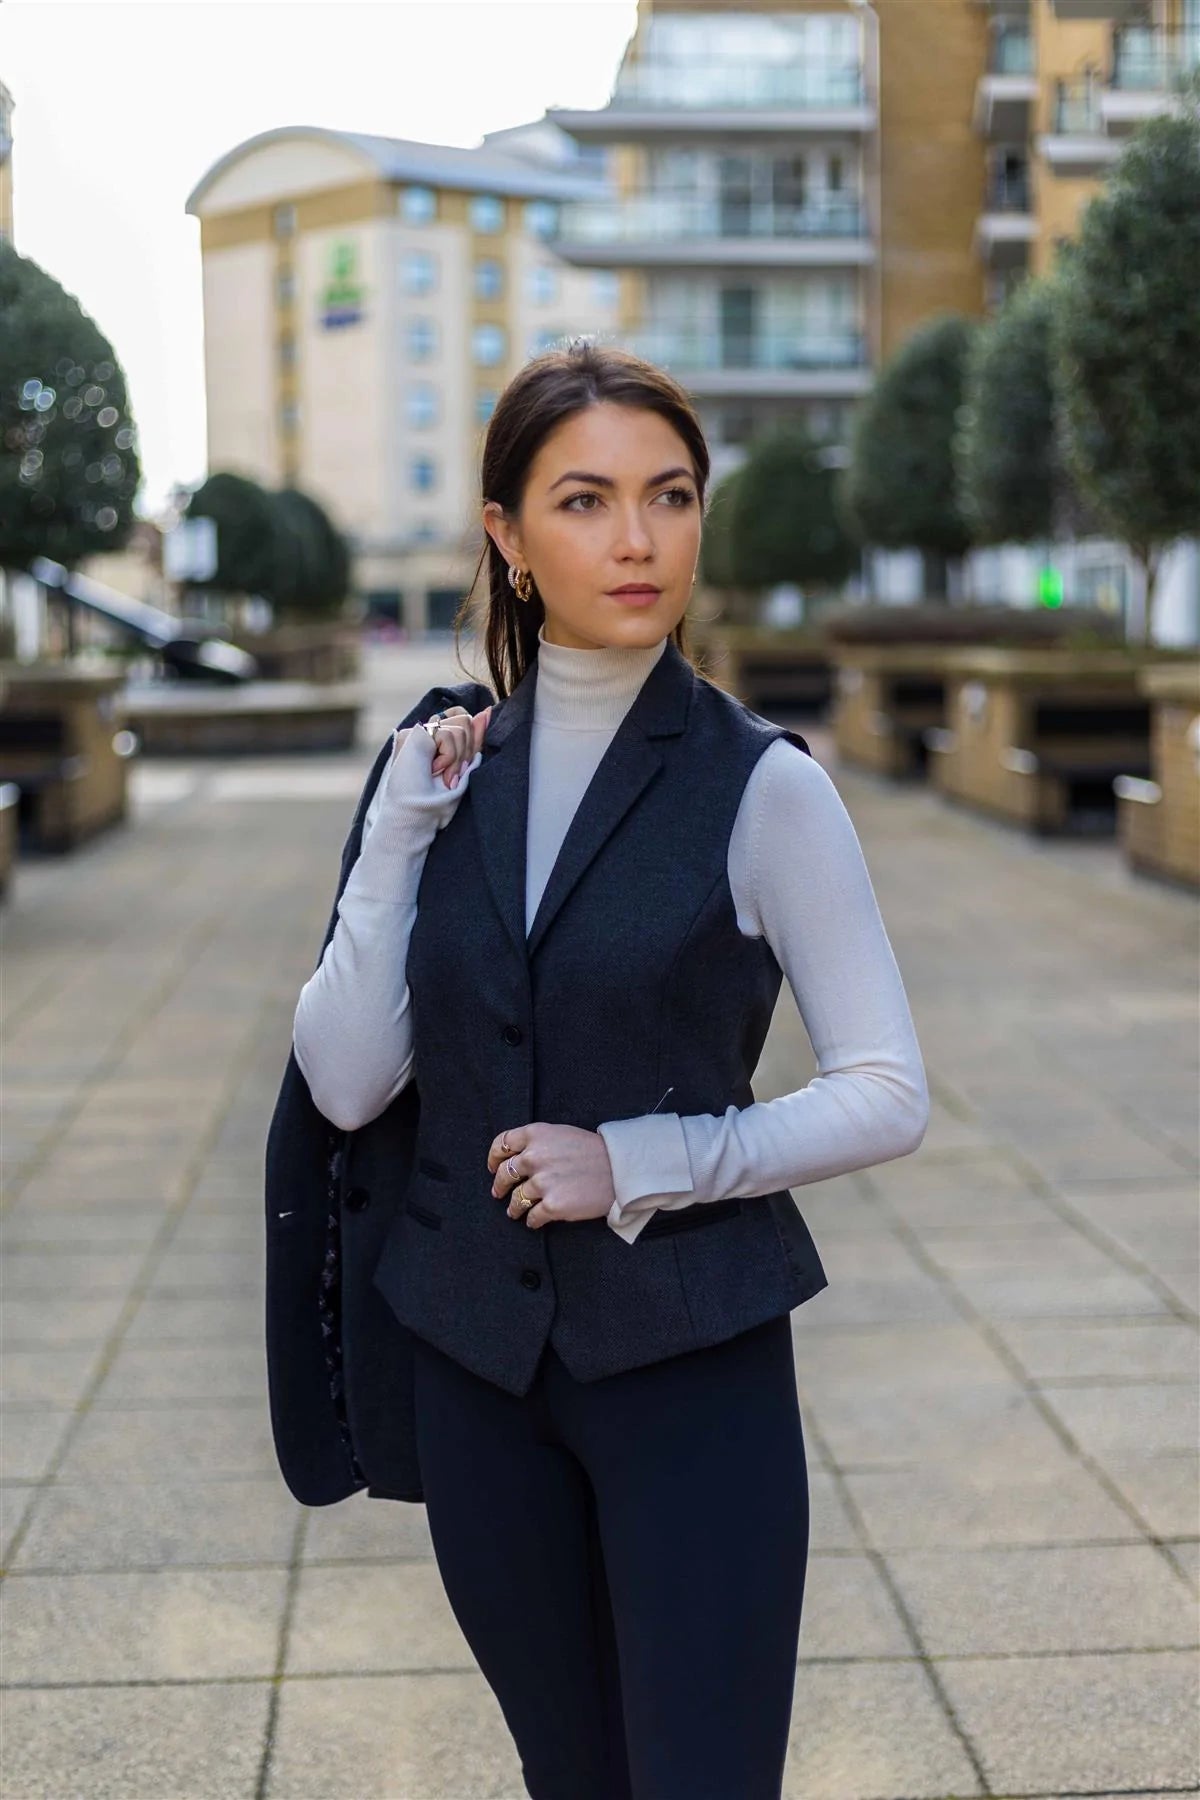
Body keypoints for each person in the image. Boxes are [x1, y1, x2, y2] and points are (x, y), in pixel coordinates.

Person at [291, 342, 929, 1800]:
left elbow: (890, 1088)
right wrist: (392, 842)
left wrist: (645, 1157)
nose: (638, 539)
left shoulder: (764, 786)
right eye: (585, 500)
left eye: (671, 495)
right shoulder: (439, 772)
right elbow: (344, 1083)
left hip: (687, 1371)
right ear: (508, 539)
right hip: (476, 1376)